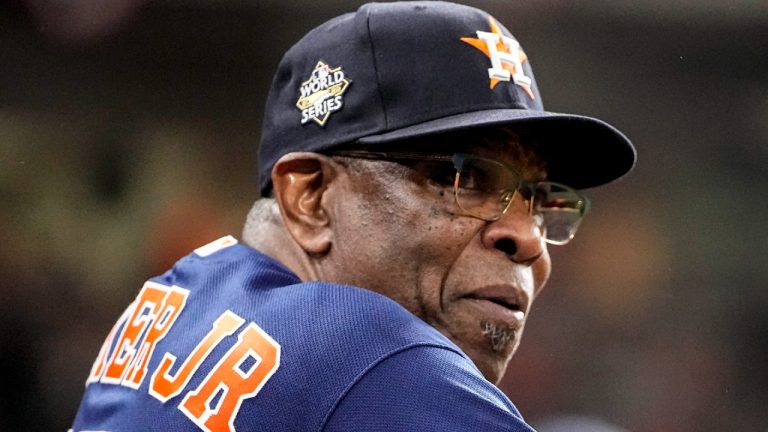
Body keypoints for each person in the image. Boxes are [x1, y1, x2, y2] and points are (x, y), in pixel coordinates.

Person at [72, 1, 635, 431]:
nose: (526, 239)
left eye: (540, 201)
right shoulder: (375, 355)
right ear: (310, 198)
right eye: (462, 178)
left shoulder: (181, 297)